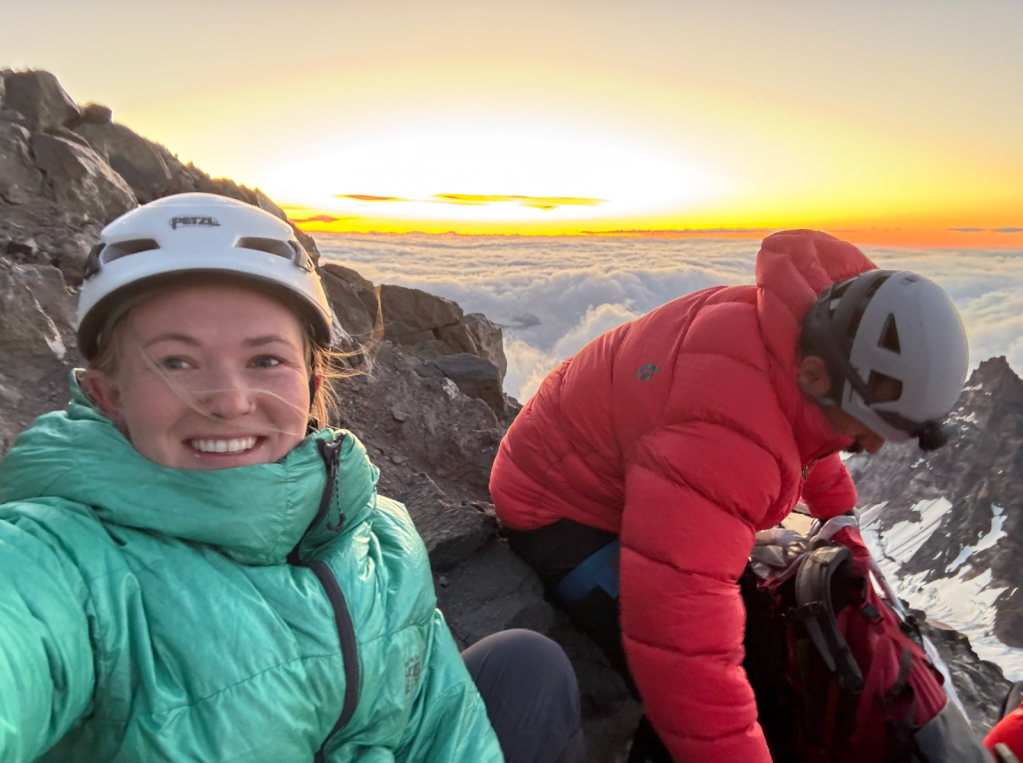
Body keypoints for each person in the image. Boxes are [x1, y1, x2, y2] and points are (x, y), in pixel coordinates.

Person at [0, 193, 585, 763]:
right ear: (108, 396)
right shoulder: (60, 557)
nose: (230, 401)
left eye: (265, 360)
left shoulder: (379, 536)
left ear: (311, 383)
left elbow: (440, 723)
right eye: (175, 362)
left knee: (526, 665)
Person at [489, 229, 971, 763]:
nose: (875, 445)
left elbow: (806, 429)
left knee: (763, 640)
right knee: (714, 682)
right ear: (816, 376)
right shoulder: (725, 438)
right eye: (872, 425)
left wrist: (841, 513)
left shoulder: (797, 335)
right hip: (559, 508)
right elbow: (683, 647)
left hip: (610, 465)